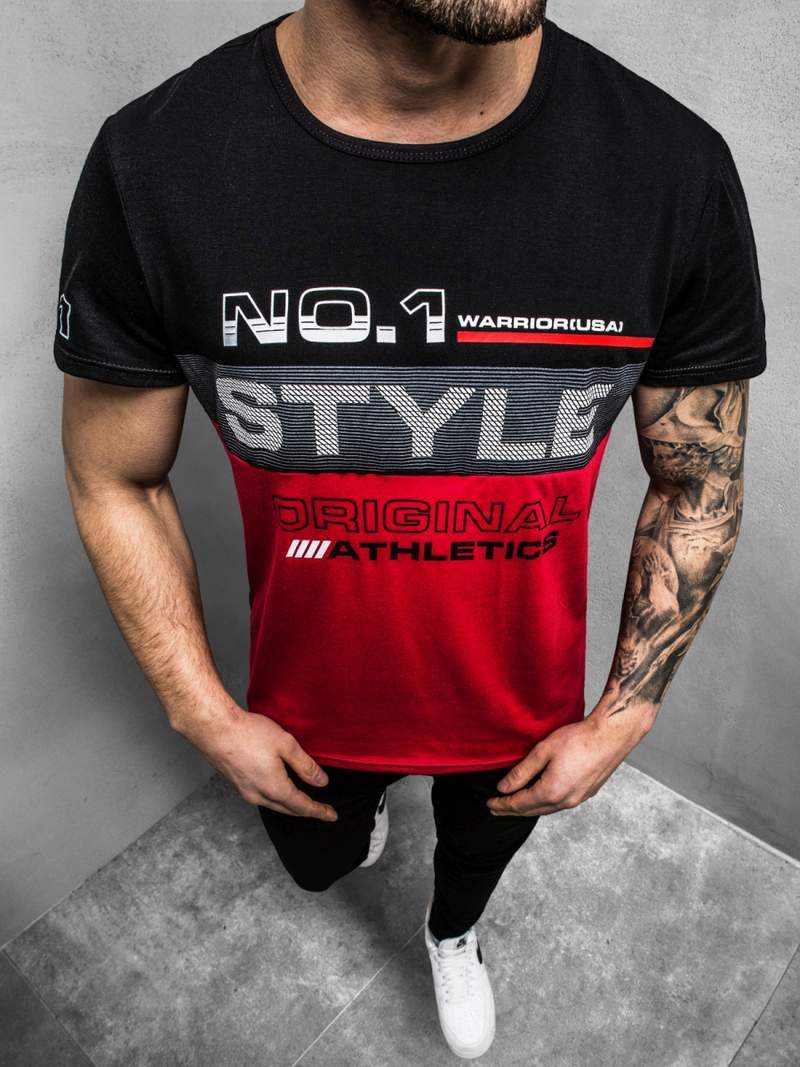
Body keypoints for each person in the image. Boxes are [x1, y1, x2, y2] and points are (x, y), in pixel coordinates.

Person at [57, 0, 765, 1058]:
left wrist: (625, 714)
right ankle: (373, 803)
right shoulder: (155, 166)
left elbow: (697, 480)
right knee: (318, 862)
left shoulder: (671, 170)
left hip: (517, 710)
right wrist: (199, 710)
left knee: (476, 860)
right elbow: (115, 475)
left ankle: (452, 931)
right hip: (306, 706)